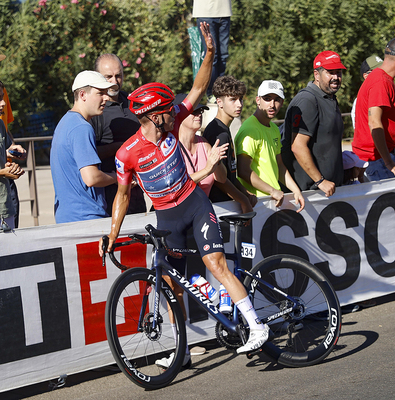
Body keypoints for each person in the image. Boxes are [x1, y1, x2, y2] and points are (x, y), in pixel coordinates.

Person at [99, 23, 270, 369]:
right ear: (150, 114)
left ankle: (257, 326)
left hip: (194, 204)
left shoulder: (172, 120)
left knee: (215, 265)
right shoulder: (128, 153)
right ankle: (183, 350)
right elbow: (120, 194)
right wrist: (112, 234)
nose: (176, 111)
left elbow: (198, 86)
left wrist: (209, 53)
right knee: (171, 284)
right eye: (166, 109)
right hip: (166, 217)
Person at [50, 71, 118, 223]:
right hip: (86, 218)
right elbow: (92, 178)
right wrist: (118, 178)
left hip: (69, 217)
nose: (106, 97)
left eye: (106, 93)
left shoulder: (66, 122)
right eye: (100, 93)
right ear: (82, 95)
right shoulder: (81, 127)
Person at [281, 51, 347, 197]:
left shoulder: (330, 98)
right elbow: (298, 146)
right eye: (330, 72)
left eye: (339, 72)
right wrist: (320, 181)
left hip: (328, 192)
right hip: (310, 194)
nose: (336, 77)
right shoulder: (308, 100)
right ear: (316, 75)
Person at [235, 80, 305, 212]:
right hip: (257, 204)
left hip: (272, 202)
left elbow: (279, 165)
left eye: (277, 99)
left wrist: (296, 190)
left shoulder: (273, 127)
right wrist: (272, 190)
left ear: (282, 103)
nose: (272, 105)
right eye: (267, 99)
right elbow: (243, 170)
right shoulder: (250, 129)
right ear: (258, 100)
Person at [91, 53, 146, 216]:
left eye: (118, 76)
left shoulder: (133, 102)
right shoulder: (94, 110)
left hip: (137, 193)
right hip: (110, 196)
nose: (114, 82)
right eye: (108, 77)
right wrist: (120, 148)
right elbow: (89, 154)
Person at [203, 75, 257, 213]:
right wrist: (243, 200)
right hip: (221, 208)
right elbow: (219, 179)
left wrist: (245, 192)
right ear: (219, 102)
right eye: (233, 99)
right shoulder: (218, 132)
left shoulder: (223, 129)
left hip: (228, 204)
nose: (239, 104)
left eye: (240, 99)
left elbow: (230, 176)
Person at [352, 36, 395, 182]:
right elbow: (374, 123)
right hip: (377, 160)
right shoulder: (380, 81)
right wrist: (389, 163)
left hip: (382, 157)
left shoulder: (383, 79)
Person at [175, 92, 228, 196]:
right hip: (180, 211)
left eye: (201, 110)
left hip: (201, 211)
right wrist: (207, 169)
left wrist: (217, 162)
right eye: (194, 111)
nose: (199, 114)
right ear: (178, 114)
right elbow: (178, 185)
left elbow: (222, 179)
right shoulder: (170, 147)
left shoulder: (204, 144)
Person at [0, 52, 26, 228]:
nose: (2, 103)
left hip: (5, 192)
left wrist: (12, 150)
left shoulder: (3, 91)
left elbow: (6, 132)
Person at [193, 0, 232, 102]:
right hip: (205, 13)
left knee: (223, 56)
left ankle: (221, 90)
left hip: (225, 12)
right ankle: (211, 93)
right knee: (212, 56)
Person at [351, 54, 383, 128]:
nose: (382, 73)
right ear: (366, 76)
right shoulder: (360, 100)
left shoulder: (383, 93)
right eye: (377, 71)